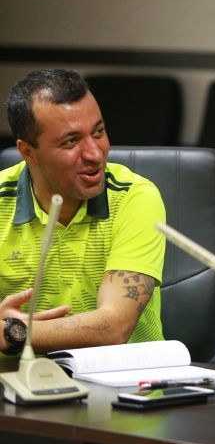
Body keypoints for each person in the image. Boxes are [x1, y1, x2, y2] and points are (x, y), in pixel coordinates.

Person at [0, 68, 166, 355]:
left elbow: (114, 327)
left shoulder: (135, 197)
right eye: (71, 142)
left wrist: (13, 332)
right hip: (17, 374)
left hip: (125, 375)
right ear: (28, 152)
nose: (95, 154)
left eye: (99, 132)